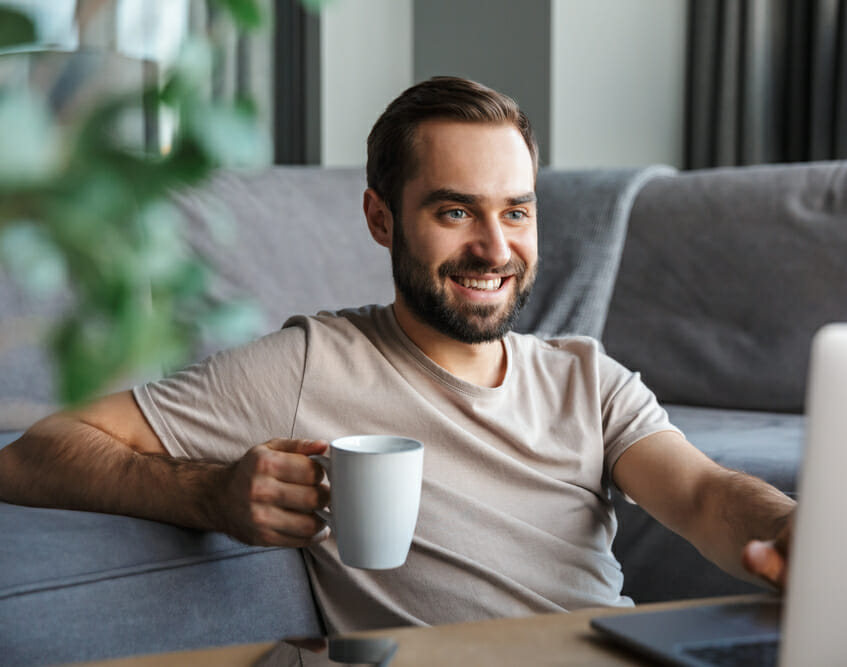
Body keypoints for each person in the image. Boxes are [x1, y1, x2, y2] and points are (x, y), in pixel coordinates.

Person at [0, 77, 794, 633]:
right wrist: (209, 494)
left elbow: (706, 496)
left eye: (516, 211)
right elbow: (33, 454)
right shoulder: (311, 363)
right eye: (456, 211)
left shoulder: (588, 379)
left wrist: (792, 530)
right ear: (382, 219)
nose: (495, 247)